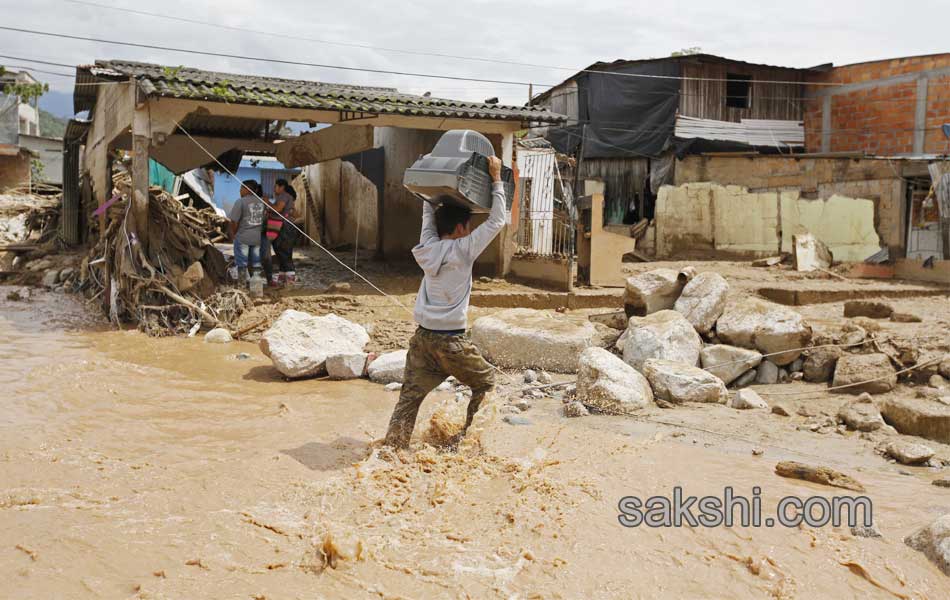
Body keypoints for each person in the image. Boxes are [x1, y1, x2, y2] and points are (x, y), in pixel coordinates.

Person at [384, 156, 507, 449]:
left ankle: (393, 450)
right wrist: (496, 177)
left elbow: (428, 214)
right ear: (463, 227)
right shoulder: (464, 249)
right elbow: (498, 220)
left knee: (409, 397)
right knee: (486, 384)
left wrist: (428, 182)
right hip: (452, 341)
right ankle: (465, 445)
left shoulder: (427, 246)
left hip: (422, 339)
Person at [228, 179, 265, 283]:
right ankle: (257, 287)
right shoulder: (261, 202)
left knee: (242, 264)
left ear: (247, 189)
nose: (240, 191)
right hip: (257, 238)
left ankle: (243, 287)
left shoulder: (240, 202)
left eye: (241, 188)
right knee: (256, 263)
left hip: (243, 238)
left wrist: (234, 234)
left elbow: (233, 221)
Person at [267, 178, 299, 286]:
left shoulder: (284, 196)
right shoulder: (284, 197)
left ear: (282, 187)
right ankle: (283, 278)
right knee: (281, 252)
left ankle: (290, 280)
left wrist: (267, 203)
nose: (274, 189)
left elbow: (278, 209)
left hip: (285, 227)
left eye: (275, 186)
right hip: (285, 226)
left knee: (284, 252)